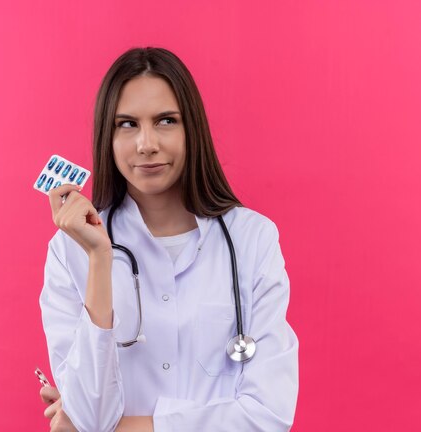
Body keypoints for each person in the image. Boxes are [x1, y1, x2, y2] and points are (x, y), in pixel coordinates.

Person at [39, 47, 299, 432]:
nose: (146, 144)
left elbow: (268, 416)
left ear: (191, 128)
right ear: (106, 137)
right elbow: (87, 415)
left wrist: (121, 428)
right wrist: (98, 259)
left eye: (165, 121)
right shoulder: (69, 253)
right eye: (126, 124)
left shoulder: (252, 239)